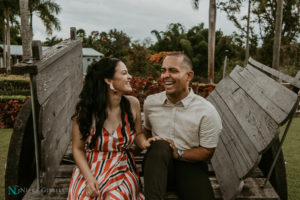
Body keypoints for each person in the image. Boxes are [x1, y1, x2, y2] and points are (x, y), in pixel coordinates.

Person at [67, 58, 158, 200]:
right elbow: (78, 149)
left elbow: (138, 133)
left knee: (114, 198)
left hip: (122, 166)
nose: (130, 77)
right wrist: (89, 179)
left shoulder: (132, 104)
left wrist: (145, 143)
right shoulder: (85, 110)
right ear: (108, 80)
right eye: (124, 73)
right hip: (91, 167)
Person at [143, 53, 222, 200]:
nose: (166, 75)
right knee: (160, 145)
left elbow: (207, 151)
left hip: (189, 165)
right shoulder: (151, 103)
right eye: (163, 70)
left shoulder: (205, 110)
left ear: (189, 76)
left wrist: (178, 153)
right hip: (157, 166)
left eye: (173, 70)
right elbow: (146, 131)